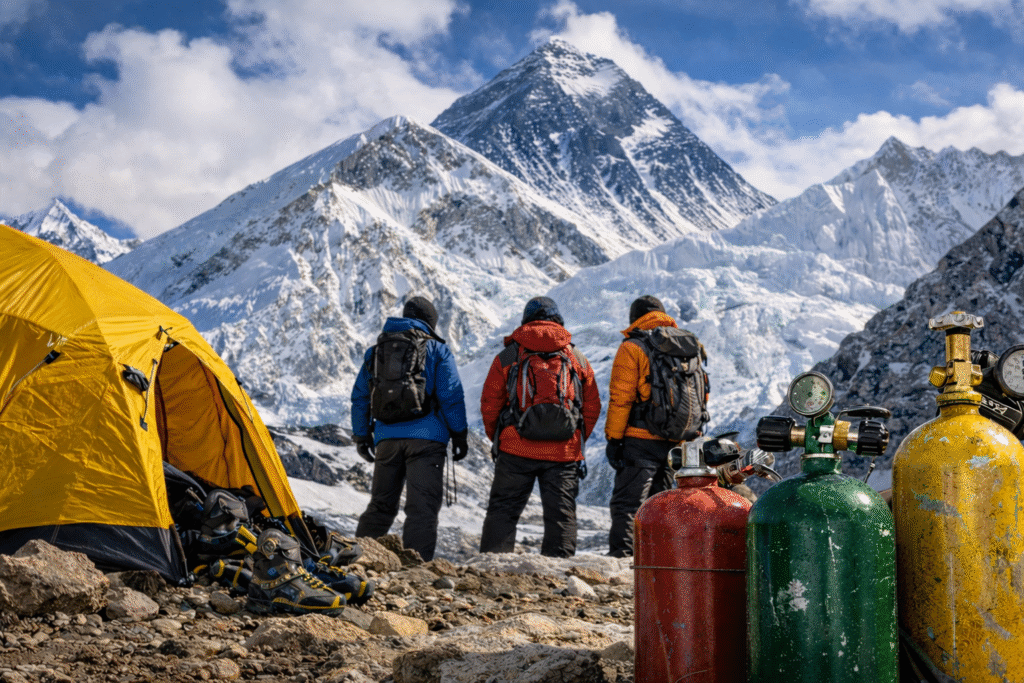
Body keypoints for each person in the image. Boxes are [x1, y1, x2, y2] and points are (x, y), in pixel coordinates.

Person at [479, 296, 601, 557]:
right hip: (564, 451)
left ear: (526, 320)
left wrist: (500, 438)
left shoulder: (509, 354)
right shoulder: (576, 356)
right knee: (561, 514)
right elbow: (592, 405)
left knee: (504, 510)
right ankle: (558, 574)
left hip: (516, 448)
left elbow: (490, 402)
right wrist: (574, 437)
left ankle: (492, 568)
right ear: (558, 321)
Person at [350, 295, 468, 561]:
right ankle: (416, 567)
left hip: (386, 440)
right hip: (427, 442)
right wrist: (459, 434)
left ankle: (358, 560)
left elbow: (360, 396)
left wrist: (362, 435)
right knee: (421, 509)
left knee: (380, 505)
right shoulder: (436, 350)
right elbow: (451, 395)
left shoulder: (376, 351)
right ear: (430, 322)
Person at [605, 295, 707, 557]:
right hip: (678, 440)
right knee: (661, 505)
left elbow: (621, 397)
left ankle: (623, 558)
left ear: (634, 318)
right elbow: (702, 392)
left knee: (628, 504)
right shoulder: (690, 344)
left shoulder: (633, 346)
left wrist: (614, 439)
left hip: (640, 438)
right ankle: (657, 558)